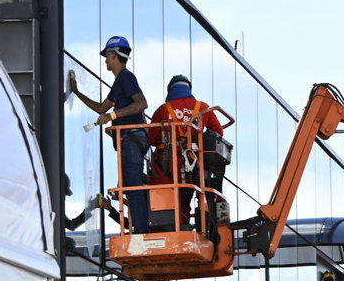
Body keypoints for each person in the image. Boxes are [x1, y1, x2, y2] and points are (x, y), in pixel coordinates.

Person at [68, 36, 150, 233]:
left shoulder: (126, 77)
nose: (105, 60)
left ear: (113, 55)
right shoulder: (120, 82)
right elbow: (101, 108)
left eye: (107, 56)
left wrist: (112, 116)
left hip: (131, 138)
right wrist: (76, 92)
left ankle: (140, 233)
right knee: (131, 186)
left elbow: (141, 103)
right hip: (129, 139)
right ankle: (139, 230)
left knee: (133, 187)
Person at [146, 74, 227, 232]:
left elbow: (152, 139)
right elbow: (218, 133)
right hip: (191, 162)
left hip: (165, 162)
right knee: (185, 195)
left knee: (164, 198)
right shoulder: (203, 108)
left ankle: (166, 227)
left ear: (170, 90)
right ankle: (183, 226)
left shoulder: (163, 109)